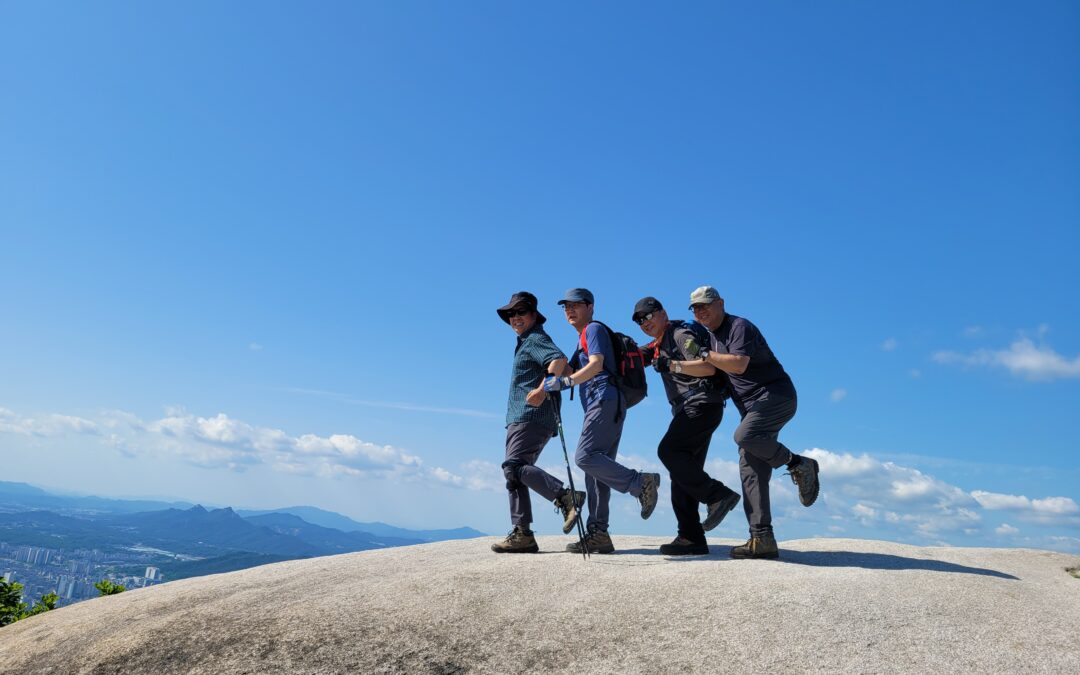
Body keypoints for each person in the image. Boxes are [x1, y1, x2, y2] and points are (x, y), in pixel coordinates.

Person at [689, 285, 820, 559]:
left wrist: (701, 353)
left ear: (721, 303)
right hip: (751, 407)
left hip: (776, 397)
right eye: (696, 308)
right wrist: (674, 364)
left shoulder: (740, 326)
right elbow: (712, 368)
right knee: (750, 466)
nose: (701, 311)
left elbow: (737, 364)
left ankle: (799, 464)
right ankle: (762, 538)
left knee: (744, 437)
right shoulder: (710, 338)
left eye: (705, 305)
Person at [542, 288, 660, 554]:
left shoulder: (593, 330)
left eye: (576, 305)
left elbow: (595, 364)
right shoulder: (583, 337)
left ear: (591, 307)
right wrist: (552, 374)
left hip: (603, 398)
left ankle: (641, 483)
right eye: (565, 307)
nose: (569, 310)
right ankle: (599, 533)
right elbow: (571, 366)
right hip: (608, 401)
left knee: (585, 457)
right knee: (596, 470)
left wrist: (564, 382)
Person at [632, 297, 742, 556]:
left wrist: (672, 364)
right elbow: (640, 356)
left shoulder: (681, 334)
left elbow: (708, 367)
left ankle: (718, 495)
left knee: (669, 451)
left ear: (662, 313)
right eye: (639, 321)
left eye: (648, 316)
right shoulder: (659, 344)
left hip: (700, 405)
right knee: (682, 473)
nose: (644, 323)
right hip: (694, 408)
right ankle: (691, 537)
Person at [490, 291, 586, 554]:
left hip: (530, 415)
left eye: (521, 312)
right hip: (522, 416)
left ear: (533, 315)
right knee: (515, 473)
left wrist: (543, 389)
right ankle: (522, 534)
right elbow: (566, 370)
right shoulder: (527, 341)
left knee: (514, 466)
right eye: (511, 314)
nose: (515, 318)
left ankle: (565, 496)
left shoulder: (534, 339)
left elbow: (559, 361)